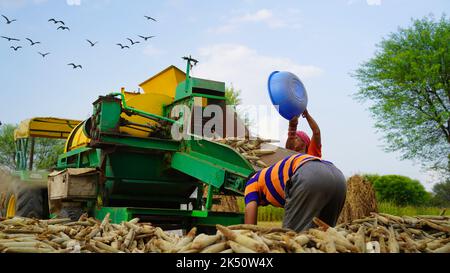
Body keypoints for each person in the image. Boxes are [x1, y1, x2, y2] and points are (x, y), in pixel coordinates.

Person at [244, 146, 346, 232]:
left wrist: (249, 236)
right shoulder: (272, 178)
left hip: (311, 174)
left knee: (293, 238)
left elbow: (250, 215)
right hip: (339, 178)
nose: (261, 205)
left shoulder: (253, 180)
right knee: (325, 236)